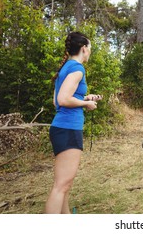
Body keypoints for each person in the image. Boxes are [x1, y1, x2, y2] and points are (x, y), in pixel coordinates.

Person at [45, 31, 102, 214]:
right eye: (90, 48)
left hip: (62, 127)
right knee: (61, 186)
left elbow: (58, 101)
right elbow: (63, 99)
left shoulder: (65, 68)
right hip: (68, 129)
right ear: (84, 49)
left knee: (64, 184)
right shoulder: (78, 69)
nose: (90, 52)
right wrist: (86, 103)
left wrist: (84, 98)